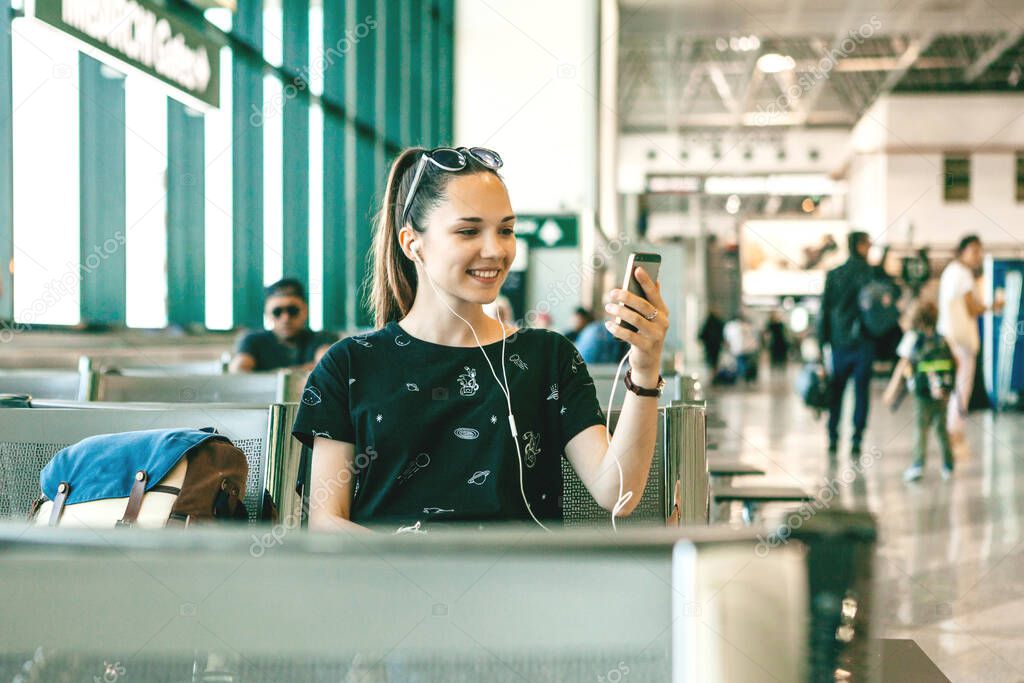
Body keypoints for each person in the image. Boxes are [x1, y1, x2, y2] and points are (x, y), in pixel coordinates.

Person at [292, 146, 670, 533]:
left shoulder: (548, 358)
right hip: (389, 586)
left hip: (518, 587)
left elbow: (618, 494)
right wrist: (418, 573)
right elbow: (325, 522)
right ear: (412, 243)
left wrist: (644, 369)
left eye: (506, 230)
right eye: (469, 231)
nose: (496, 250)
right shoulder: (351, 365)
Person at [937, 235, 1001, 451]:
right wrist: (994, 306)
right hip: (962, 340)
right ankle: (955, 432)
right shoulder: (963, 274)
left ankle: (951, 430)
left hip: (948, 336)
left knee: (954, 386)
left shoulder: (949, 272)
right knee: (963, 386)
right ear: (963, 250)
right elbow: (971, 308)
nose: (978, 256)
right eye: (974, 251)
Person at [818, 231, 875, 456]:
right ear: (860, 246)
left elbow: (825, 310)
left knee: (836, 390)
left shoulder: (835, 274)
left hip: (839, 343)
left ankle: (832, 436)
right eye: (868, 244)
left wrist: (823, 341)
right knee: (861, 392)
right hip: (864, 342)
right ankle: (856, 439)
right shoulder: (871, 274)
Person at [891, 302, 956, 482]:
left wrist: (892, 391)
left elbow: (902, 364)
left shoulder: (913, 339)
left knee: (921, 428)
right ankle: (948, 465)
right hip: (942, 391)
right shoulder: (942, 339)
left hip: (921, 393)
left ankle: (918, 465)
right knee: (941, 427)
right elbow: (954, 361)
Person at [229, 279, 337, 373]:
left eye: (292, 311)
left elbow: (328, 367)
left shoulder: (323, 338)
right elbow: (239, 370)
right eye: (277, 312)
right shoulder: (252, 340)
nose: (285, 318)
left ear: (305, 311)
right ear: (267, 314)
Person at [723, 314, 759, 383]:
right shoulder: (737, 327)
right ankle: (741, 377)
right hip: (742, 350)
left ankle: (742, 377)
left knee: (742, 365)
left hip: (743, 349)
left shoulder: (739, 327)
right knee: (740, 365)